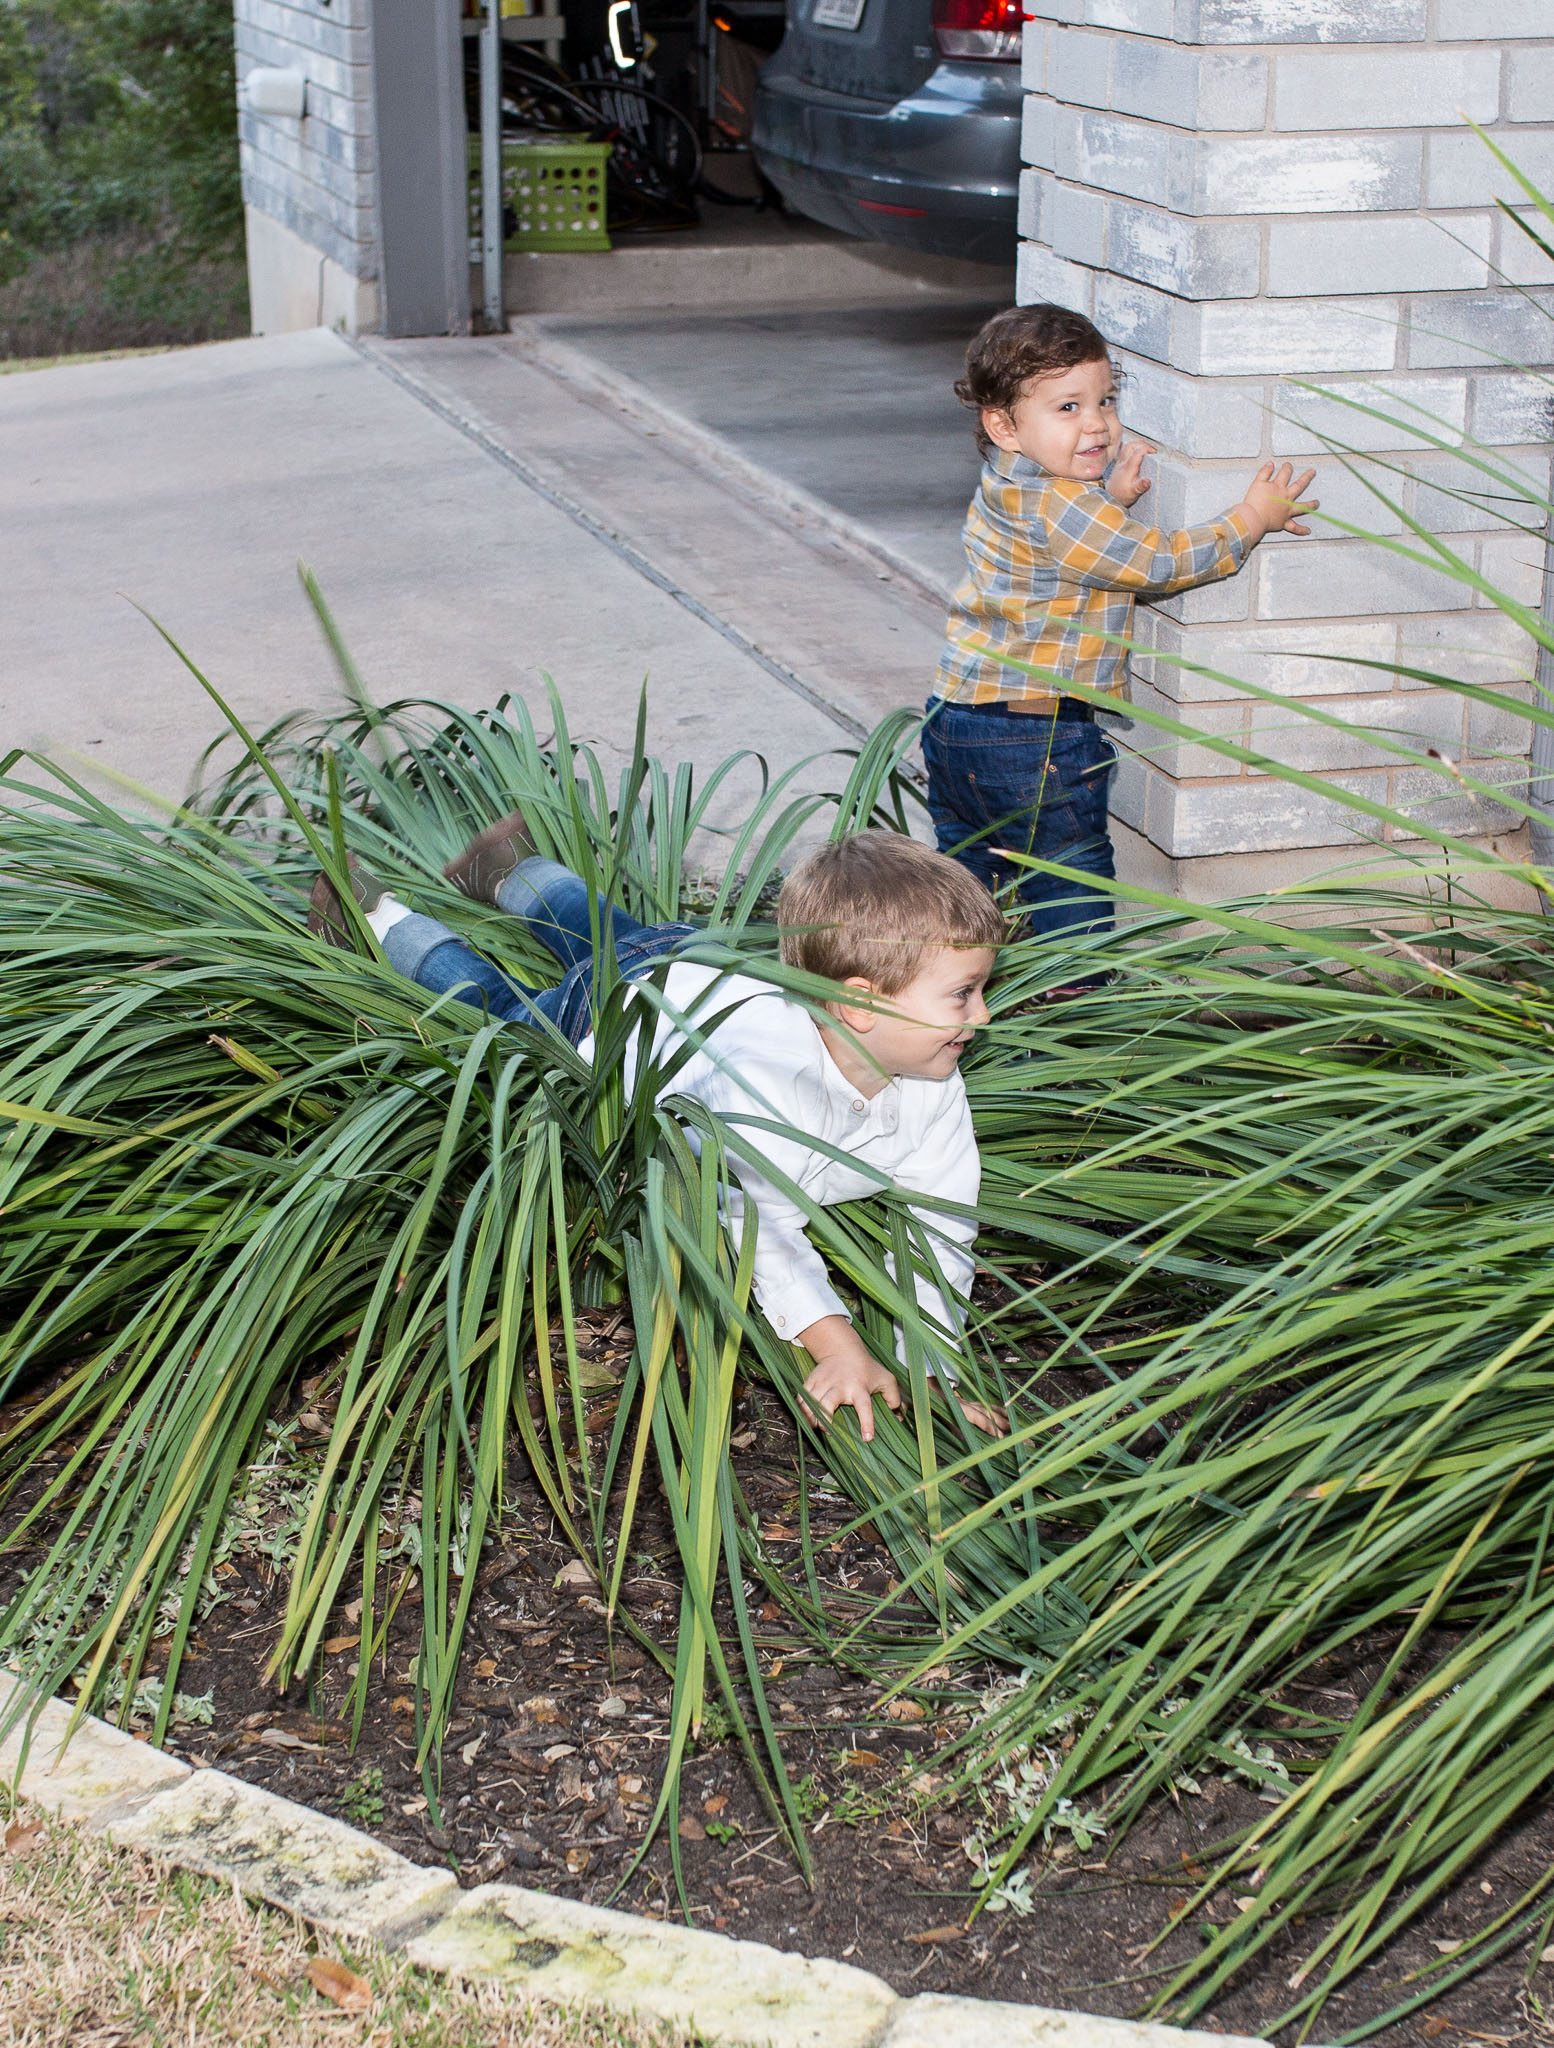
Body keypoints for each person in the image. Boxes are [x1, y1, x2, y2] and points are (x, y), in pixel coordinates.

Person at [308, 820, 1008, 1439]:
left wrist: (931, 1369)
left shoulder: (935, 1086)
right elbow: (756, 1225)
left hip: (704, 962)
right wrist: (837, 1346)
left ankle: (510, 868)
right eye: (962, 994)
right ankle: (370, 915)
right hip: (622, 1016)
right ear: (860, 1005)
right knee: (505, 1012)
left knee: (614, 933)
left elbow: (941, 1225)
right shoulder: (764, 1094)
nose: (983, 1016)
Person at [926, 302, 1318, 945]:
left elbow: (1055, 554)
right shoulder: (1065, 506)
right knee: (1070, 882)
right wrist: (1252, 518)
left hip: (956, 719)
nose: (1098, 424)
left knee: (968, 882)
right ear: (1004, 425)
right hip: (1032, 739)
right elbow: (1158, 563)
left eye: (1105, 400)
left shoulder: (1008, 483)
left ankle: (942, 983)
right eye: (1068, 407)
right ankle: (1076, 998)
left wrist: (1110, 502)